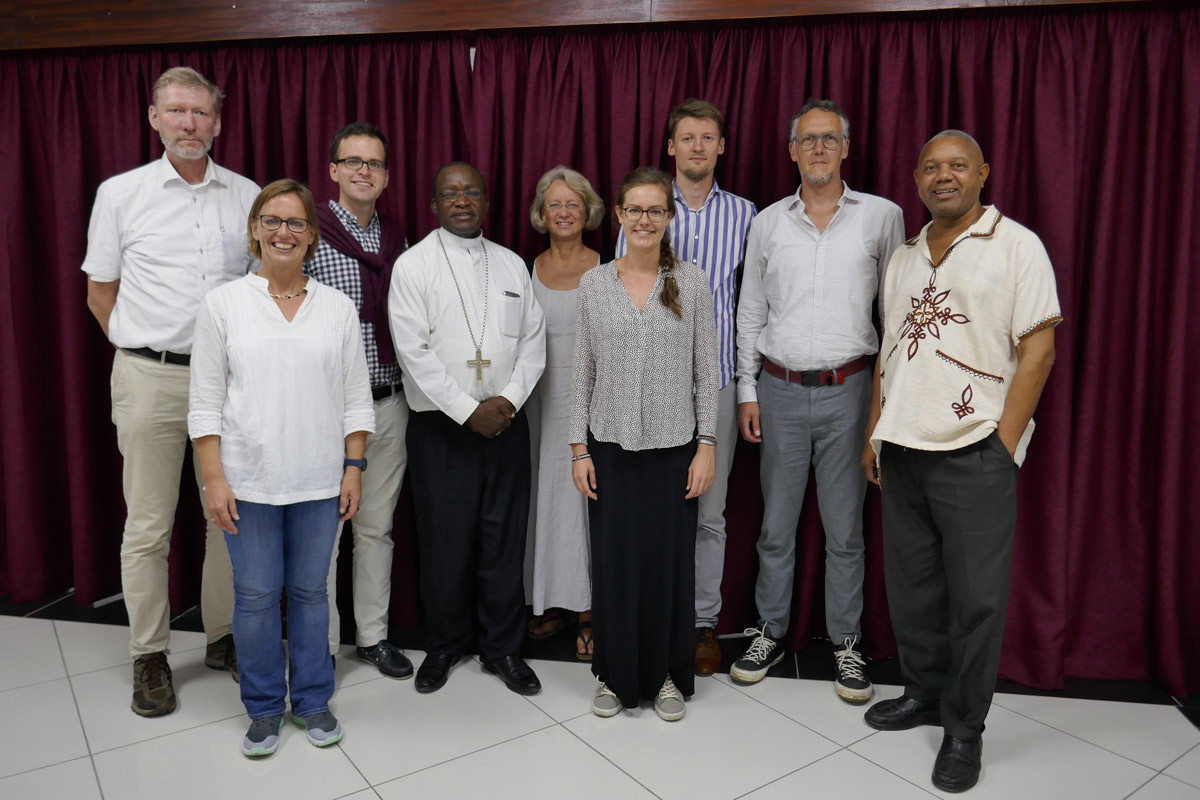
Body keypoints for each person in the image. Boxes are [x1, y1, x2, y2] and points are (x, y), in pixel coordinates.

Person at [861, 130, 1060, 793]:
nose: (943, 176)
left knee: (976, 602)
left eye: (957, 166)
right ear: (917, 178)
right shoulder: (907, 256)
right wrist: (874, 432)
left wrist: (1003, 443)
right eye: (931, 167)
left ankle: (965, 730)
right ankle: (922, 692)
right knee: (914, 592)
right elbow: (889, 353)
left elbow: (1038, 350)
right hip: (905, 449)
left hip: (975, 452)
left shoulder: (1017, 246)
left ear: (983, 174)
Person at [82, 66, 258, 717]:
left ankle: (223, 638)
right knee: (149, 525)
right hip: (148, 377)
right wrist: (139, 347)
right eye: (177, 112)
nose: (189, 124)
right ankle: (149, 655)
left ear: (217, 121)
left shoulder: (247, 195)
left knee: (228, 520)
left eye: (201, 113)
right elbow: (100, 291)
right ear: (153, 117)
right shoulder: (120, 194)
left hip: (228, 384)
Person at [189, 179, 375, 757]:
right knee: (254, 596)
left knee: (312, 594)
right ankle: (265, 707)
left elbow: (356, 398)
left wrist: (353, 466)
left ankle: (314, 700)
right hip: (248, 482)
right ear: (255, 229)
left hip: (320, 479)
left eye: (296, 223)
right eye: (273, 221)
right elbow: (204, 403)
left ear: (313, 236)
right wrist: (214, 479)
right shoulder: (224, 305)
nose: (284, 232)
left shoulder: (336, 307)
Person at [733, 99, 905, 702]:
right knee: (775, 527)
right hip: (778, 391)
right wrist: (747, 390)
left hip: (852, 391)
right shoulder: (769, 223)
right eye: (807, 140)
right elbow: (751, 310)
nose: (818, 149)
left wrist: (885, 405)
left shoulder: (883, 218)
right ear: (791, 151)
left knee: (846, 532)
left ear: (847, 148)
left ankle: (847, 643)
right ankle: (769, 630)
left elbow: (898, 313)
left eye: (829, 139)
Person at [388, 162, 547, 696]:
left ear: (485, 200)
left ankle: (503, 647)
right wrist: (466, 409)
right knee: (444, 542)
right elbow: (413, 353)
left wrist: (506, 400)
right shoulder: (413, 266)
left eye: (472, 191)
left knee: (504, 540)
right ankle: (444, 644)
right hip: (441, 428)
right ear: (434, 204)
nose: (462, 200)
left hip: (505, 423)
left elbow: (533, 341)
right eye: (451, 193)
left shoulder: (510, 266)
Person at [571, 167, 719, 722]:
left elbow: (709, 372)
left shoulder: (693, 281)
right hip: (607, 450)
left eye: (656, 210)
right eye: (635, 209)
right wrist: (577, 449)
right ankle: (614, 676)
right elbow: (580, 372)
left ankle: (667, 678)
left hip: (673, 450)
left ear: (669, 217)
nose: (644, 219)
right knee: (613, 565)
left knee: (668, 567)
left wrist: (706, 446)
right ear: (619, 214)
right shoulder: (595, 284)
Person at [615, 99, 757, 676]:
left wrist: (746, 386)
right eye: (687, 138)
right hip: (645, 385)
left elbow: (753, 306)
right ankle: (649, 616)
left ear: (721, 147)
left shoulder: (748, 215)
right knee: (648, 506)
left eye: (708, 138)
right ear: (670, 147)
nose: (697, 147)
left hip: (715, 382)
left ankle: (700, 623)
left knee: (709, 510)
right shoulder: (646, 208)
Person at [307, 122, 412, 678]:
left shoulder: (401, 243)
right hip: (329, 410)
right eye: (353, 162)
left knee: (376, 527)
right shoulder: (306, 233)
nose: (363, 171)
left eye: (374, 163)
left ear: (387, 175)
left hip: (389, 401)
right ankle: (319, 647)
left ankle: (373, 636)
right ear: (334, 170)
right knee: (326, 533)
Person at [524, 166, 606, 660]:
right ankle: (548, 599)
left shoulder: (607, 270)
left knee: (584, 505)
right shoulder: (524, 269)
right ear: (542, 212)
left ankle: (589, 610)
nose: (564, 212)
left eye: (572, 203)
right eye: (555, 204)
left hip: (590, 408)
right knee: (542, 500)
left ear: (588, 210)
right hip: (536, 402)